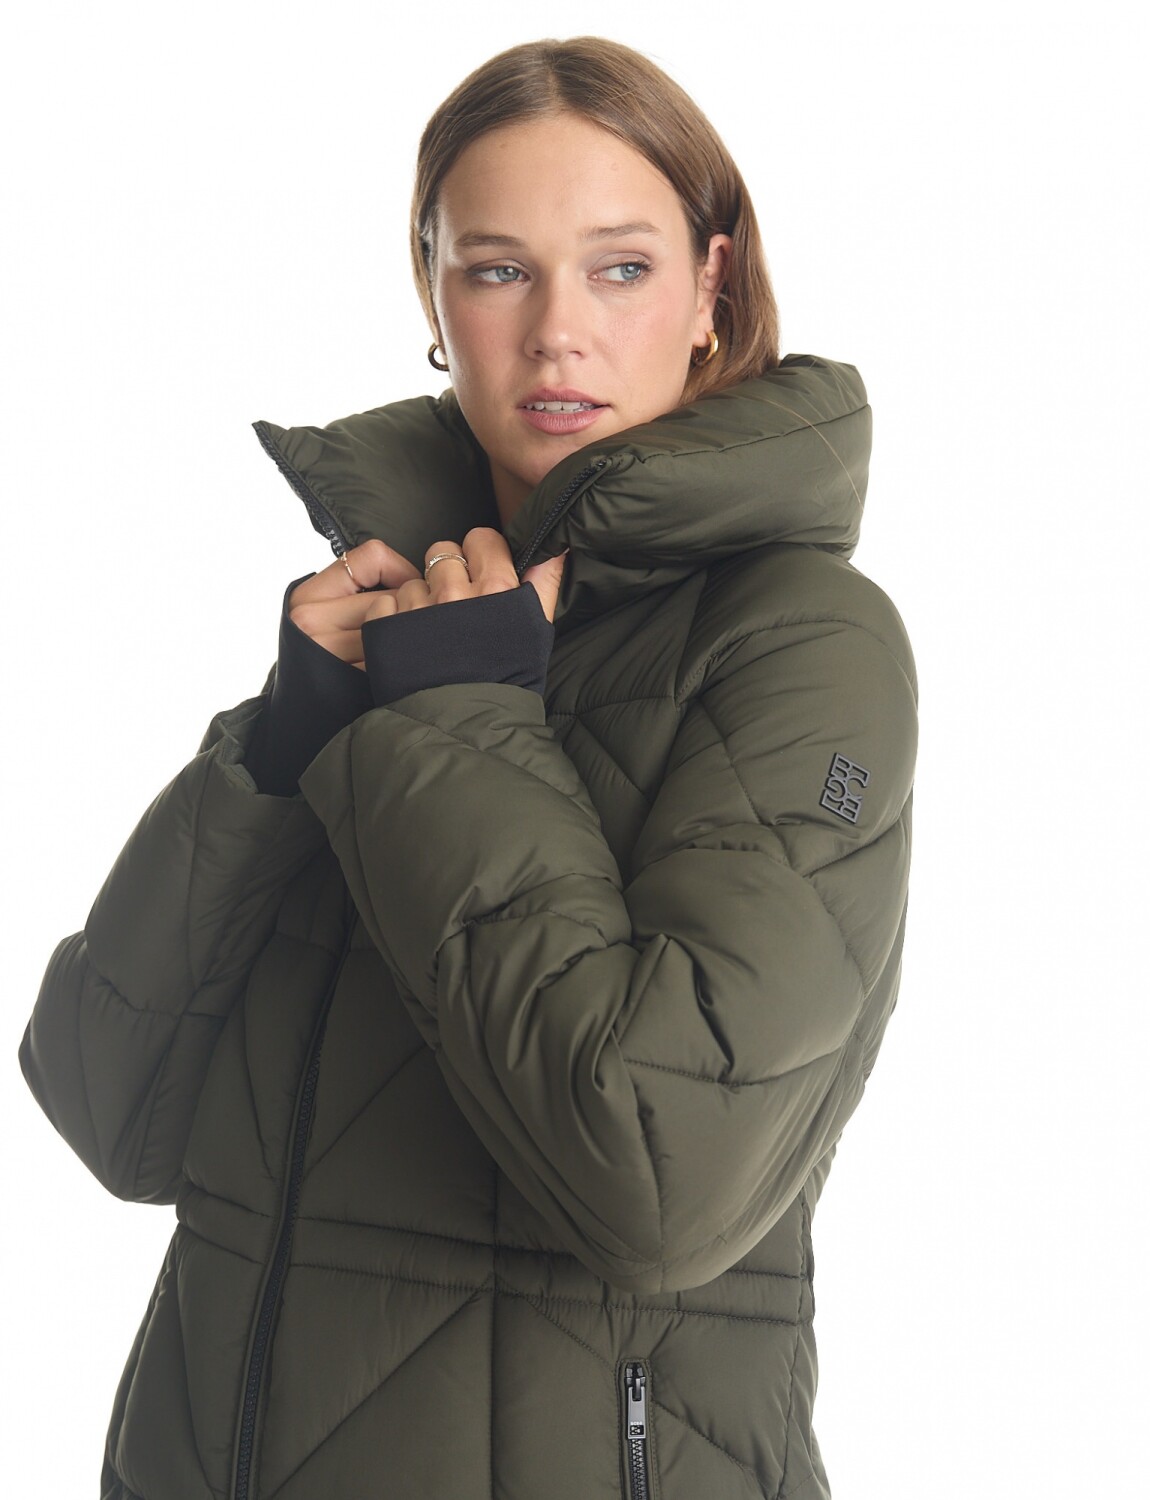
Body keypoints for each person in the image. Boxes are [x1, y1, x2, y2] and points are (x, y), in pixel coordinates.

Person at [20, 35, 916, 1500]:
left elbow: (660, 1181)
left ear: (712, 288)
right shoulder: (407, 618)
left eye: (619, 268)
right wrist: (287, 744)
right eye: (497, 269)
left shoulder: (805, 642)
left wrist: (454, 722)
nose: (557, 333)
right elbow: (109, 1110)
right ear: (433, 293)